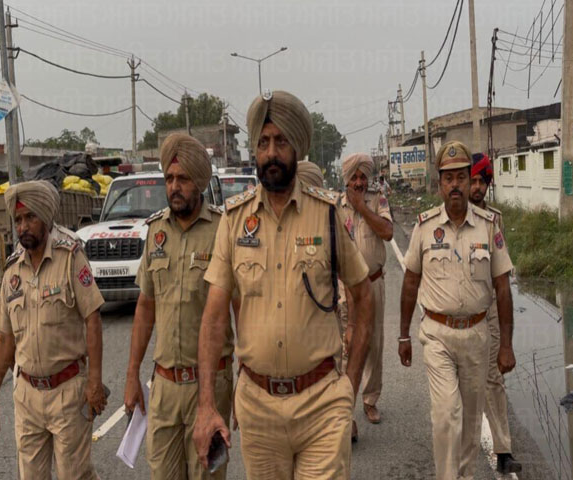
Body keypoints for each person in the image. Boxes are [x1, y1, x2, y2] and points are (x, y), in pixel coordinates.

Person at [193, 90, 375, 479]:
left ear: (296, 148)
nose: (271, 153)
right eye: (263, 143)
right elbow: (214, 318)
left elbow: (363, 294)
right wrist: (206, 405)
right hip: (258, 409)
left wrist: (351, 383)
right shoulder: (234, 220)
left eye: (280, 141)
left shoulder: (327, 213)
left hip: (322, 403)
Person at [398, 141, 516, 480]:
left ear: (469, 180)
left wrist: (506, 345)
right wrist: (403, 335)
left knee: (470, 422)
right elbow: (410, 282)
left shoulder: (489, 225)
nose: (455, 185)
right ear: (439, 184)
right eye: (448, 178)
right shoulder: (424, 226)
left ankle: (465, 476)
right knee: (447, 414)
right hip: (437, 335)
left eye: (461, 177)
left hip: (477, 335)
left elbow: (503, 287)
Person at [124, 133, 234, 479]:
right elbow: (146, 307)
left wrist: (246, 375)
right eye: (169, 178)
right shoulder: (156, 231)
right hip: (164, 388)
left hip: (210, 384)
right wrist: (132, 374)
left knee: (206, 474)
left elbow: (242, 307)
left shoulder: (222, 230)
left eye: (183, 179)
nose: (174, 186)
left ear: (198, 182)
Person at [0, 180, 106, 480]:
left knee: (74, 475)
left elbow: (92, 319)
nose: (23, 226)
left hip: (68, 392)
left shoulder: (70, 257)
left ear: (46, 218)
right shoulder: (12, 271)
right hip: (27, 396)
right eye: (18, 220)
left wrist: (94, 382)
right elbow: (4, 339)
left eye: (30, 217)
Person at [470, 152, 522, 474]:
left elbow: (502, 276)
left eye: (482, 181)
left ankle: (503, 450)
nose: (477, 188)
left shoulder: (494, 220)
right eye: (473, 181)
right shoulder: (451, 217)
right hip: (460, 312)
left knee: (494, 379)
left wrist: (506, 341)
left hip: (488, 308)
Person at [339, 153, 393, 439]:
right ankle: (343, 409)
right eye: (354, 177)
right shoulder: (336, 206)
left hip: (373, 284)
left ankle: (370, 399)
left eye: (363, 177)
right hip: (345, 288)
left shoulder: (378, 200)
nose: (359, 182)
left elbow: (387, 232)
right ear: (346, 179)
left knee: (374, 344)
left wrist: (362, 207)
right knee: (344, 346)